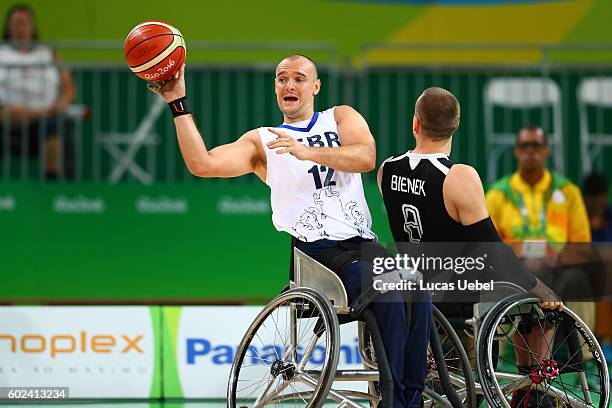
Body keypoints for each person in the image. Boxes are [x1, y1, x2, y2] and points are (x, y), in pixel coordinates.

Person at [148, 55, 431, 408]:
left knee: (416, 285)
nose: (289, 85)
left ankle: (412, 396)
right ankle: (394, 400)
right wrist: (178, 103)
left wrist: (308, 152)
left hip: (363, 246)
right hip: (318, 257)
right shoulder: (263, 141)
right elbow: (202, 164)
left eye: (299, 78)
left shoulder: (340, 117)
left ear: (315, 87)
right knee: (390, 288)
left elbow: (366, 157)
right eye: (282, 79)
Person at [377, 88, 562, 407]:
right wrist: (538, 286)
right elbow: (492, 249)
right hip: (458, 299)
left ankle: (447, 377)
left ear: (415, 124)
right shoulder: (458, 176)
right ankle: (529, 390)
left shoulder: (387, 171)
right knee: (543, 308)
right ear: (455, 126)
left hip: (413, 290)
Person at [0, 4, 75, 178]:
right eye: (16, 23)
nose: (20, 28)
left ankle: (52, 191)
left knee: (55, 127)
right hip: (8, 118)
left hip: (46, 120)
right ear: (8, 27)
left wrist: (62, 104)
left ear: (32, 26)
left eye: (24, 23)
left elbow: (68, 86)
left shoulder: (49, 53)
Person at [582, 172, 612, 362]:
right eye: (593, 198)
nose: (597, 202)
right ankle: (602, 342)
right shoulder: (580, 216)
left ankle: (606, 340)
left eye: (600, 198)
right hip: (586, 270)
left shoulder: (610, 217)